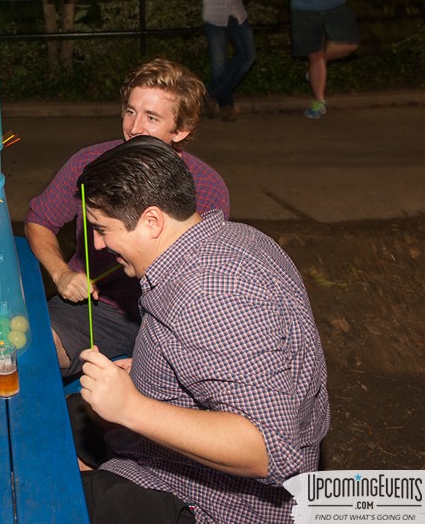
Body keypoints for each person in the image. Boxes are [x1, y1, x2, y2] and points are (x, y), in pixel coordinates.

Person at [74, 136, 329, 524]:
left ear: (152, 221)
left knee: (41, 488)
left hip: (217, 505)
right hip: (178, 464)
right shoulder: (236, 238)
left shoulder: (207, 295)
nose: (98, 244)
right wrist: (148, 376)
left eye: (103, 228)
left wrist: (133, 406)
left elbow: (271, 449)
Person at [24, 58, 230, 379]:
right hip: (98, 307)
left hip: (170, 317)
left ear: (181, 130)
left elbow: (207, 277)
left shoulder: (206, 186)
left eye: (151, 118)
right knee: (29, 349)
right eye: (130, 111)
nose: (134, 128)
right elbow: (39, 220)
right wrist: (61, 273)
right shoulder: (90, 162)